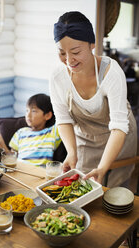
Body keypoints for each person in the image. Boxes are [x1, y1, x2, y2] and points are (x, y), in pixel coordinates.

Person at [49, 11, 137, 187]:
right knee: (83, 190)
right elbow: (63, 119)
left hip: (119, 138)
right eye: (61, 53)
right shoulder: (58, 76)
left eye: (75, 51)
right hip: (86, 139)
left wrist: (103, 167)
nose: (68, 60)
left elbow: (119, 126)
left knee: (115, 194)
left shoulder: (111, 72)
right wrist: (72, 152)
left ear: (92, 45)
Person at [0, 94, 61, 167]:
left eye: (34, 111)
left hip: (40, 174)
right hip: (21, 171)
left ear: (47, 115)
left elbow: (64, 119)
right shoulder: (21, 133)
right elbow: (11, 158)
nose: (28, 115)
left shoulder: (52, 132)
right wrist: (0, 142)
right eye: (27, 110)